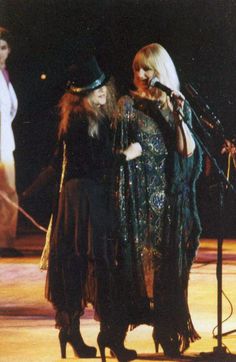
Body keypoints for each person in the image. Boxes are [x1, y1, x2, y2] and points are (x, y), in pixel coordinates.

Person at [23, 56, 141, 361]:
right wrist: (128, 153)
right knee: (102, 265)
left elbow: (55, 164)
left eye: (103, 87)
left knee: (73, 265)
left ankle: (71, 332)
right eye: (96, 90)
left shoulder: (71, 121)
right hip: (89, 198)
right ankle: (111, 338)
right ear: (82, 96)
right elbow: (97, 164)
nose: (103, 93)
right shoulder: (90, 122)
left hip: (71, 200)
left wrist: (28, 192)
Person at [111, 43, 202, 357]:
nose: (140, 74)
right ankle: (115, 335)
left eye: (147, 68)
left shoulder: (175, 104)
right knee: (134, 267)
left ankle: (166, 331)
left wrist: (177, 113)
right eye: (136, 68)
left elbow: (187, 151)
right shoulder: (126, 104)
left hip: (168, 201)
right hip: (136, 199)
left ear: (160, 71)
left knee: (166, 269)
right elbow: (114, 152)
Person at [0, 27, 18, 257]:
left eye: (2, 48)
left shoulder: (5, 76)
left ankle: (6, 242)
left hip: (5, 141)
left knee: (8, 190)